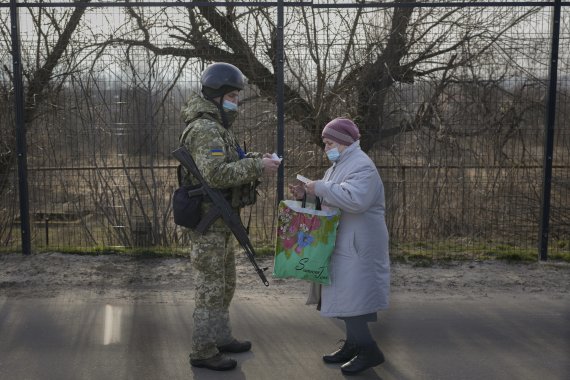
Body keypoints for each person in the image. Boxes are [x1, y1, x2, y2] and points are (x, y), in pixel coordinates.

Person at [179, 62, 281, 371]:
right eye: (233, 95)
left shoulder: (219, 127)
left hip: (221, 223)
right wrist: (257, 168)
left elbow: (233, 158)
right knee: (210, 288)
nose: (236, 100)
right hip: (208, 224)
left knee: (225, 284)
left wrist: (255, 159)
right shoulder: (205, 129)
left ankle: (220, 338)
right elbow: (216, 174)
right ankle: (202, 350)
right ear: (217, 95)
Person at [289, 117, 390, 375]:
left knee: (352, 298)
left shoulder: (362, 166)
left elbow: (355, 200)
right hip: (346, 243)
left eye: (330, 142)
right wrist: (308, 195)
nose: (326, 147)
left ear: (345, 142)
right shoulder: (339, 165)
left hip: (359, 246)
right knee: (344, 297)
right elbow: (332, 198)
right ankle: (353, 345)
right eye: (325, 143)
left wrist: (319, 187)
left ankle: (369, 351)